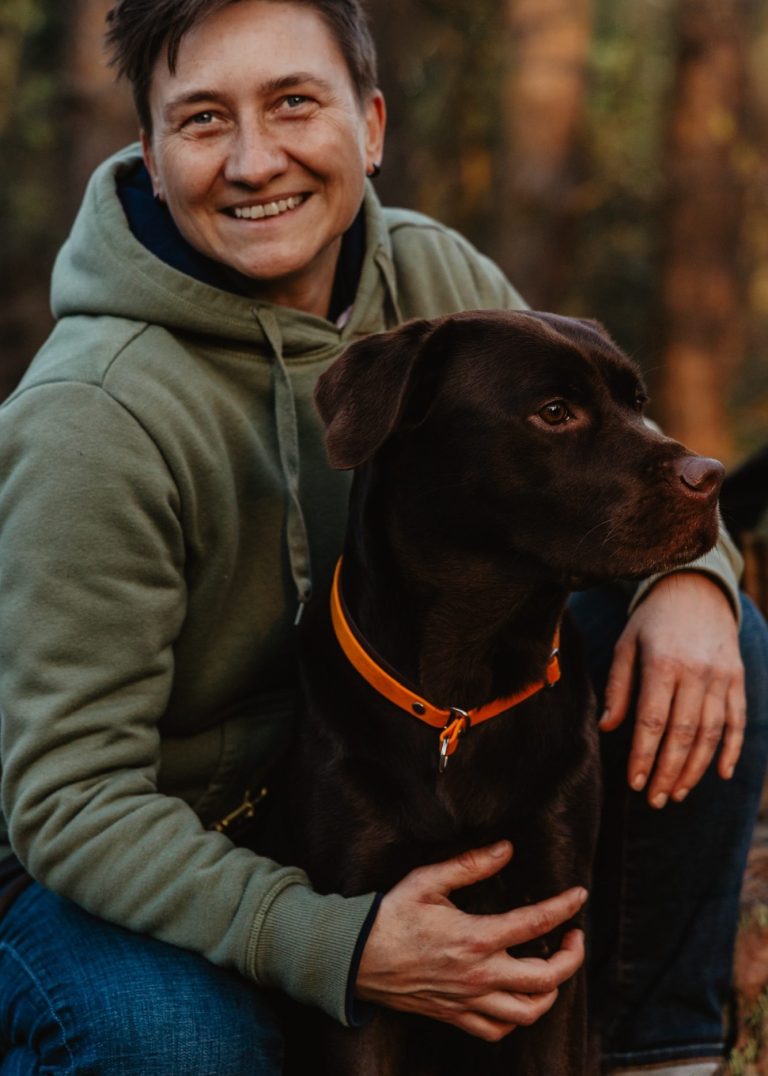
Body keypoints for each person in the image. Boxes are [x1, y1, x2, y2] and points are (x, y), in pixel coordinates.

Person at [0, 2, 765, 1073]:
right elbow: (70, 802)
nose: (254, 161)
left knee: (713, 643)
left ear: (369, 125)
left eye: (293, 103)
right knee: (174, 1037)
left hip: (372, 759)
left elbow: (592, 445)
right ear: (151, 154)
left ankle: (654, 1053)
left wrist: (695, 574)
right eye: (204, 119)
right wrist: (340, 945)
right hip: (143, 856)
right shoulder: (90, 416)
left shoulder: (426, 272)